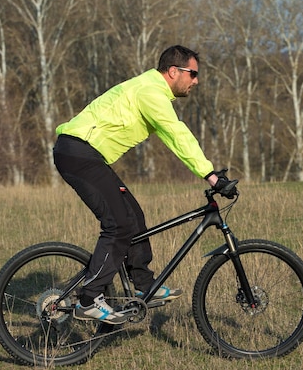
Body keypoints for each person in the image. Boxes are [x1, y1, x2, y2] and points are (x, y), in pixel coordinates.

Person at [53, 45, 236, 324]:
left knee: (133, 216)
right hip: (79, 154)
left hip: (85, 154)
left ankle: (143, 284)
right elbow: (176, 134)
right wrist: (211, 175)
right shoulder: (150, 91)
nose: (196, 80)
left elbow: (173, 136)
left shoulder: (152, 89)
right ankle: (88, 300)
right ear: (174, 72)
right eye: (193, 73)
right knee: (119, 225)